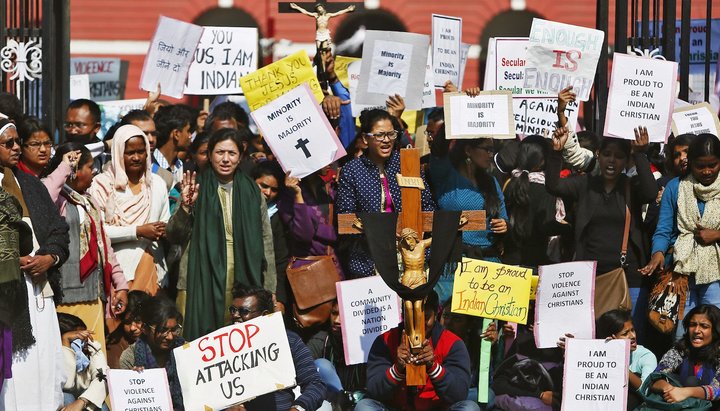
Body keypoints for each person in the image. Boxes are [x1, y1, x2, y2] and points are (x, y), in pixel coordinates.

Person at [168, 128, 276, 340]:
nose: (225, 159)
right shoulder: (194, 188)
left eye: (232, 153)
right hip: (199, 277)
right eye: (219, 153)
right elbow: (173, 235)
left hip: (243, 276)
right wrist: (186, 208)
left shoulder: (253, 194)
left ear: (241, 156)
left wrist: (270, 287)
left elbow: (266, 243)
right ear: (209, 155)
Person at [547, 126, 658, 314]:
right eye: (607, 154)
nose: (612, 161)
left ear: (626, 160)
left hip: (627, 276)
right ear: (598, 155)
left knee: (628, 339)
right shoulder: (585, 184)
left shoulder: (631, 187)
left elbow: (651, 192)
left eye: (619, 156)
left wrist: (640, 154)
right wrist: (556, 152)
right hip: (590, 276)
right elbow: (554, 186)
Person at [0, 118, 70, 410]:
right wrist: (9, 261)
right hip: (7, 297)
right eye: (9, 143)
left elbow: (58, 230)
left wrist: (49, 258)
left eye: (18, 142)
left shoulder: (29, 183)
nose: (17, 148)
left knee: (43, 364)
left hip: (38, 290)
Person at [42, 143, 129, 351]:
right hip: (66, 297)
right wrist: (64, 167)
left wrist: (121, 283)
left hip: (93, 294)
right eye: (90, 167)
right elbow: (45, 197)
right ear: (75, 170)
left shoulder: (89, 201)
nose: (94, 173)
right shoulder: (57, 197)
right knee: (72, 361)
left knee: (95, 363)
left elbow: (104, 246)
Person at [336, 108, 434, 278]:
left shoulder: (408, 163)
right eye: (380, 135)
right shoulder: (352, 170)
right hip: (370, 258)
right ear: (366, 139)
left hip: (410, 256)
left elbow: (427, 205)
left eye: (391, 134)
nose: (386, 140)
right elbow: (346, 217)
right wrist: (380, 228)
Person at [641, 133, 720, 337]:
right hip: (682, 272)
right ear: (690, 163)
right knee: (684, 335)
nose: (707, 171)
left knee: (715, 331)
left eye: (712, 165)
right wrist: (658, 253)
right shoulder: (675, 187)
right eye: (700, 166)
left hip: (716, 274)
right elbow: (663, 229)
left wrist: (717, 235)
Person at [357, 290, 480, 411]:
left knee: (470, 408)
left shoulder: (453, 343)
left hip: (437, 408)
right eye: (412, 319)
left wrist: (433, 367)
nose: (419, 325)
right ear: (404, 314)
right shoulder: (385, 340)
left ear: (436, 313)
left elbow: (459, 394)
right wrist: (397, 368)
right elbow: (374, 390)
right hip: (396, 407)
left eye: (425, 318)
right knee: (364, 406)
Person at [429, 122, 508, 303]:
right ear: (468, 150)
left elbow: (503, 216)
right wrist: (452, 113)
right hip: (454, 265)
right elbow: (439, 150)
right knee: (453, 324)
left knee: (486, 329)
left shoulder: (491, 182)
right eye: (486, 149)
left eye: (492, 150)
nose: (491, 154)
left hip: (488, 264)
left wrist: (504, 225)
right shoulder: (446, 175)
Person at [89, 124, 170, 295]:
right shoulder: (102, 184)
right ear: (118, 153)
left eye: (141, 151)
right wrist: (138, 231)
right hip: (116, 270)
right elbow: (98, 232)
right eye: (130, 153)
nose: (136, 158)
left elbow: (165, 222)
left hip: (152, 267)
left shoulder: (157, 184)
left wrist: (163, 229)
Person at [227, 284, 326, 411]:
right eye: (233, 310)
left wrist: (298, 408)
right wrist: (226, 406)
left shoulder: (289, 341)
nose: (235, 315)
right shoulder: (218, 347)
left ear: (265, 315)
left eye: (244, 311)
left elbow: (315, 384)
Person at [502, 135, 571, 269]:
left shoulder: (509, 183)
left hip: (509, 263)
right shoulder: (547, 189)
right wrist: (568, 227)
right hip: (535, 263)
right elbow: (545, 226)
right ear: (543, 161)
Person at [119, 296, 185, 410]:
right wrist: (133, 383)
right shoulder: (130, 358)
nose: (169, 337)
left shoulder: (185, 351)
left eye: (174, 330)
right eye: (162, 330)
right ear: (145, 328)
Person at [650, 304, 720, 405]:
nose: (696, 331)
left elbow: (717, 390)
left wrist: (686, 392)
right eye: (692, 325)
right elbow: (656, 377)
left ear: (715, 331)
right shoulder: (680, 350)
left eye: (704, 326)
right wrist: (669, 389)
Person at [307, 300, 367, 409]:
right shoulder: (321, 341)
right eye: (334, 313)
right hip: (330, 401)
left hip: (360, 400)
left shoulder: (367, 344)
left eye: (343, 315)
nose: (336, 320)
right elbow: (303, 370)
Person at [596, 309, 657, 410]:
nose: (633, 336)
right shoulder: (600, 353)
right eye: (625, 334)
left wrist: (619, 361)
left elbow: (646, 391)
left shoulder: (646, 356)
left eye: (632, 330)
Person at [58, 313, 109, 411]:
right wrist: (66, 345)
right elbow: (67, 385)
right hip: (65, 403)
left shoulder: (92, 349)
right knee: (67, 397)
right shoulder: (57, 353)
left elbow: (103, 379)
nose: (84, 340)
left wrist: (82, 401)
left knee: (101, 405)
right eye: (77, 337)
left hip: (85, 401)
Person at [153, 104, 196, 187]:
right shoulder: (148, 167)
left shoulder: (184, 168)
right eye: (188, 131)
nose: (190, 136)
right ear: (176, 134)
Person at [106, 290, 150, 369]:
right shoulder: (114, 345)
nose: (132, 328)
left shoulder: (157, 338)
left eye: (138, 321)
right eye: (127, 322)